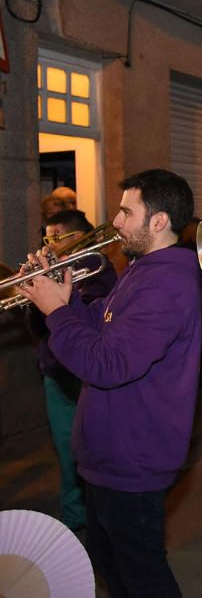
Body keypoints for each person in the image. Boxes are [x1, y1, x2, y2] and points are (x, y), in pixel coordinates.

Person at [19, 168, 202, 597]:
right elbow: (104, 327)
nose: (115, 222)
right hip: (110, 455)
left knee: (143, 580)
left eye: (126, 211)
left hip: (133, 458)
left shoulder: (167, 281)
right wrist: (61, 301)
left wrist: (58, 314)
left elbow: (110, 364)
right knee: (114, 569)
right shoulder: (142, 269)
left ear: (158, 222)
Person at [25, 209, 118, 532]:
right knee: (66, 449)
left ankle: (96, 519)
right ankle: (74, 517)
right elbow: (38, 327)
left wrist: (58, 295)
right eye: (46, 238)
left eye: (56, 238)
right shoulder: (56, 268)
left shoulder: (98, 270)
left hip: (83, 374)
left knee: (88, 450)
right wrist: (34, 293)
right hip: (54, 369)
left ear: (78, 237)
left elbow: (94, 324)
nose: (48, 245)